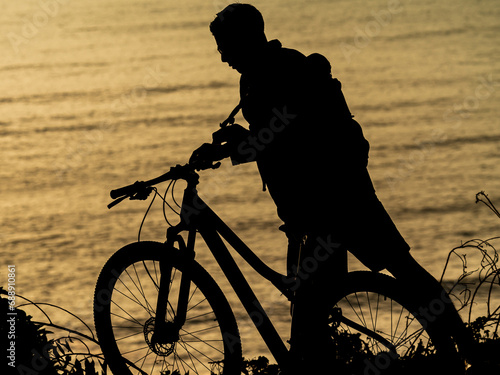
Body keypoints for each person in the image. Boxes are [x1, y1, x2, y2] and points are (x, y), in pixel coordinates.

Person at [190, 3, 472, 373]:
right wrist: (229, 146)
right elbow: (271, 139)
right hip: (318, 206)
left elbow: (290, 138)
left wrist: (241, 143)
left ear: (246, 39)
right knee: (333, 298)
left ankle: (468, 348)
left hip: (334, 199)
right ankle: (466, 347)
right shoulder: (257, 77)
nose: (223, 56)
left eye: (225, 46)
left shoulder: (282, 70)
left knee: (362, 285)